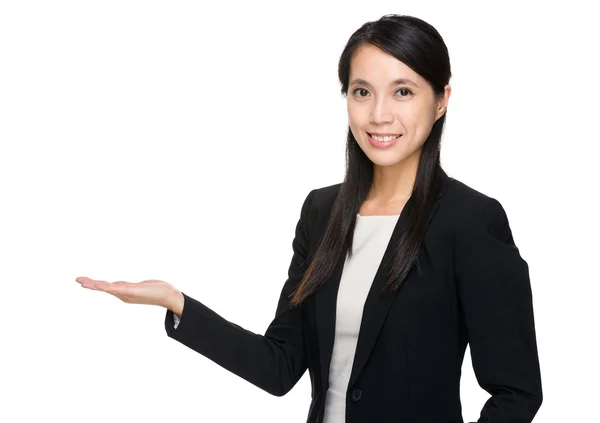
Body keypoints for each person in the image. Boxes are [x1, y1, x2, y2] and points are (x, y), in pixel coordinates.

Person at [76, 14, 543, 423]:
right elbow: (278, 366)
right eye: (362, 91)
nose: (379, 114)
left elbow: (517, 393)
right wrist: (177, 303)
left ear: (441, 100)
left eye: (403, 91)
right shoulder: (322, 212)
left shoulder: (471, 221)